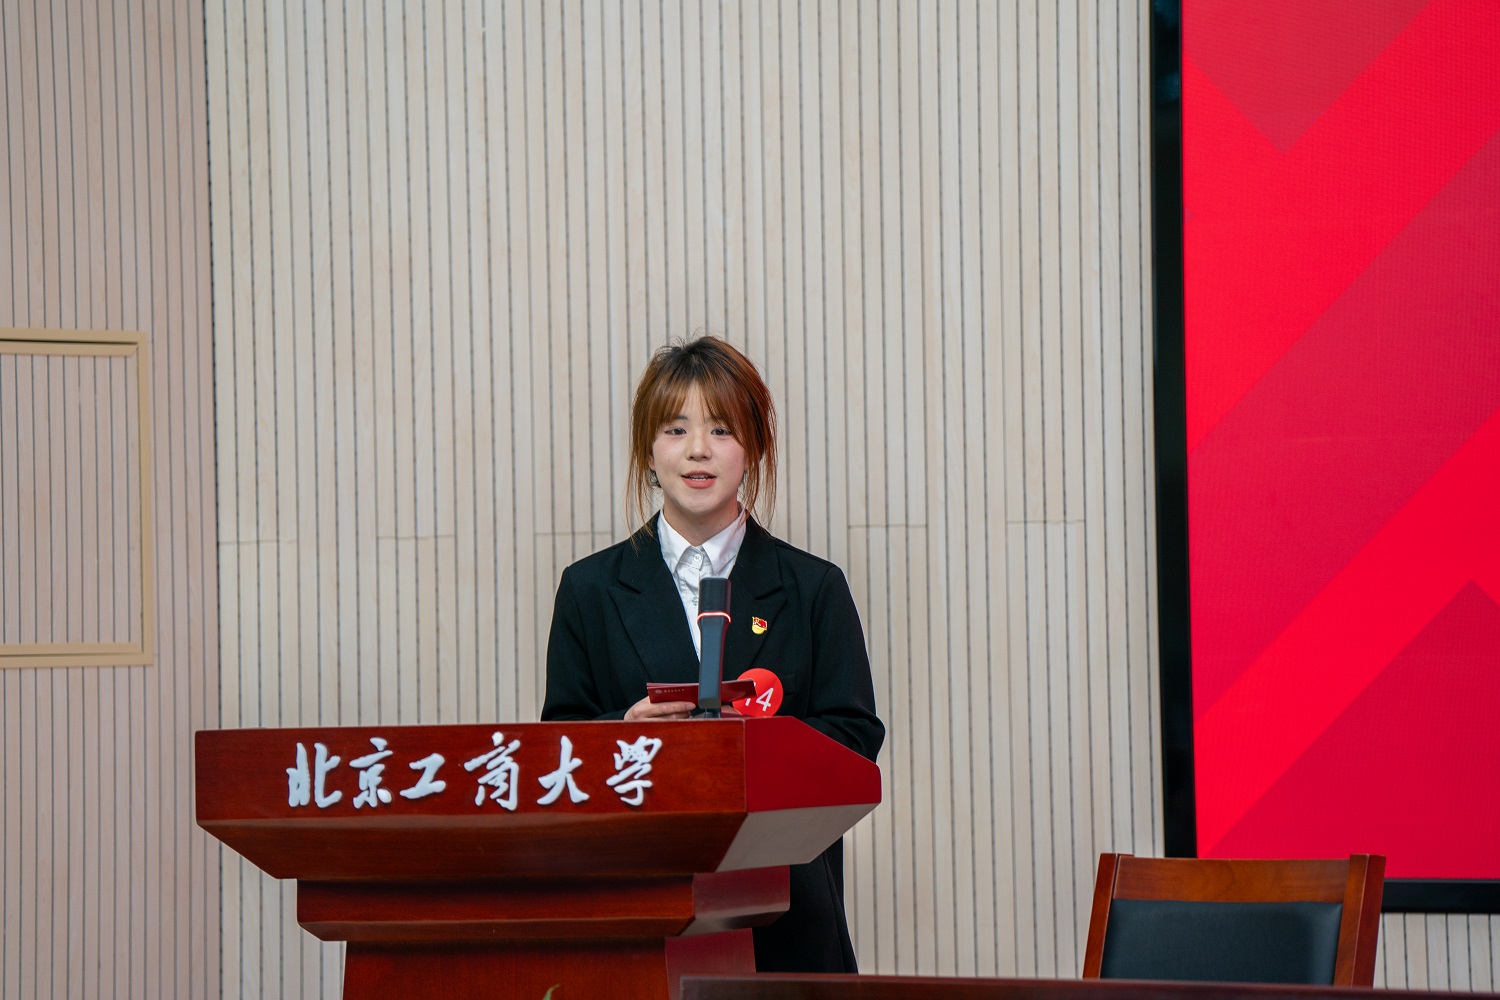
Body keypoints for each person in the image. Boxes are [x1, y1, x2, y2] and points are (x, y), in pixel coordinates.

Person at [542, 335, 884, 973]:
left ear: (753, 449)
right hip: (639, 911)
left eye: (721, 429)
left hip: (787, 912)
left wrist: (756, 745)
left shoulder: (812, 587)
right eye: (675, 429)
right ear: (648, 450)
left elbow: (856, 739)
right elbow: (559, 746)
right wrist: (624, 732)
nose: (698, 449)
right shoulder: (588, 589)